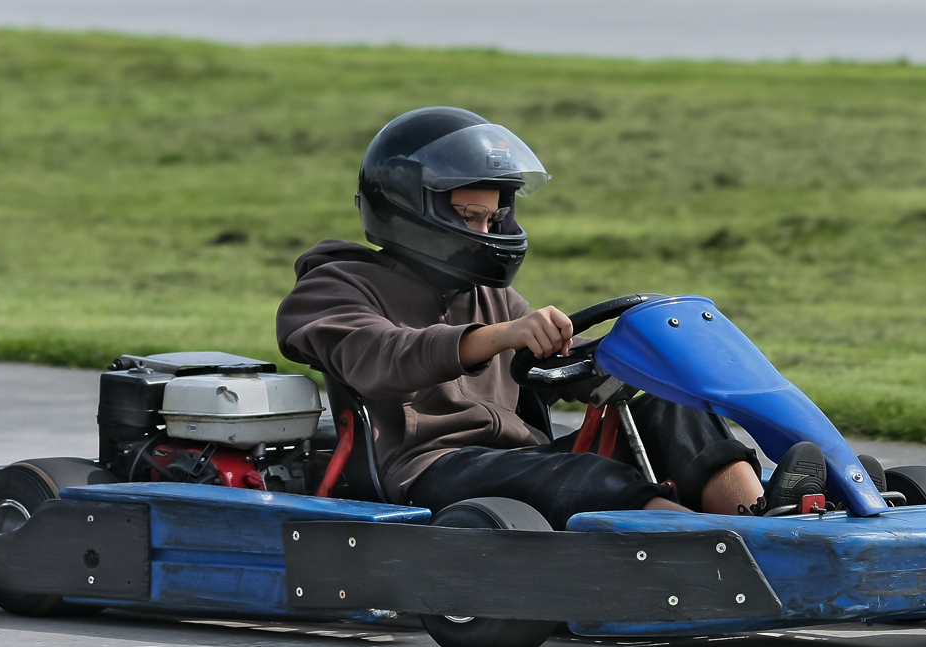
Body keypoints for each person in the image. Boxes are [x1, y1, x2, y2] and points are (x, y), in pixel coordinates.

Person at [276, 106, 834, 529]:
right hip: (428, 468)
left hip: (516, 458)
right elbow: (384, 358)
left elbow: (552, 368)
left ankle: (764, 518)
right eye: (470, 216)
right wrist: (499, 336)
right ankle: (715, 547)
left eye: (492, 218)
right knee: (586, 476)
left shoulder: (487, 295)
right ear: (406, 209)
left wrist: (625, 362)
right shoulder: (333, 288)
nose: (486, 232)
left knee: (662, 402)